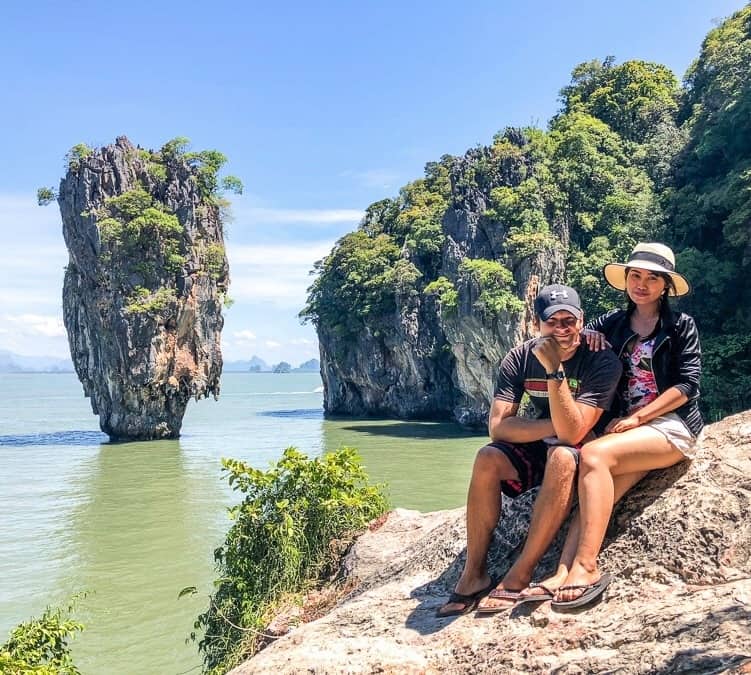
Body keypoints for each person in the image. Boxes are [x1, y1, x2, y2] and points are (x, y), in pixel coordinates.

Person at [517, 242, 703, 609]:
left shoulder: (680, 326)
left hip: (669, 426)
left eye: (653, 278)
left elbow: (687, 385)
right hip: (626, 433)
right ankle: (562, 571)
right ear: (626, 280)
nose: (642, 284)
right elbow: (569, 342)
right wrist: (587, 337)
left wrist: (638, 417)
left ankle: (587, 566)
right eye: (636, 275)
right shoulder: (611, 323)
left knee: (593, 455)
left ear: (666, 285)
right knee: (597, 493)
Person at [436, 284, 622, 617]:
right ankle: (474, 573)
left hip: (586, 450)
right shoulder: (520, 357)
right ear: (537, 324)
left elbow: (576, 433)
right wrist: (555, 426)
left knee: (563, 455)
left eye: (570, 321)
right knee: (488, 457)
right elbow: (499, 426)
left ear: (582, 322)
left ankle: (520, 573)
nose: (562, 329)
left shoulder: (600, 360)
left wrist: (554, 369)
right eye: (553, 322)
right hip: (543, 441)